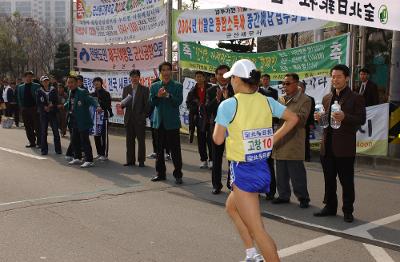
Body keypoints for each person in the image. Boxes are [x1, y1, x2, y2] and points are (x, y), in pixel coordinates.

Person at [213, 59, 298, 262]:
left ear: (237, 80)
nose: (230, 81)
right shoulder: (266, 100)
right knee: (231, 208)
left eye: (231, 77)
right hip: (261, 167)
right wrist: (271, 140)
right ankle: (251, 253)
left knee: (258, 230)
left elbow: (217, 139)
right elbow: (293, 119)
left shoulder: (228, 104)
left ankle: (261, 256)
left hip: (243, 171)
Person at [314, 64, 366, 223]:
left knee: (346, 181)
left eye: (338, 77)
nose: (335, 79)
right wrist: (319, 118)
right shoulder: (326, 98)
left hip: (344, 148)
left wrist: (345, 117)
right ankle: (330, 207)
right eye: (333, 76)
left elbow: (361, 120)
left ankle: (348, 210)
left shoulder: (356, 97)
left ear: (347, 78)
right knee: (329, 180)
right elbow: (325, 122)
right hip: (327, 147)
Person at [272, 73, 311, 208]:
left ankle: (303, 197)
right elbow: (275, 116)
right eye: (283, 83)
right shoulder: (281, 99)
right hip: (280, 139)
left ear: (296, 84)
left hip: (294, 140)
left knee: (297, 173)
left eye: (288, 83)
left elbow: (302, 119)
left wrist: (284, 115)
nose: (284, 86)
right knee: (281, 171)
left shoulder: (305, 100)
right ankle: (283, 195)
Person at [149, 62, 183, 184]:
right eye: (163, 70)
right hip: (158, 123)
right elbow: (152, 103)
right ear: (160, 72)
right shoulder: (154, 86)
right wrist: (157, 96)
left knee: (175, 150)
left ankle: (178, 174)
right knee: (159, 151)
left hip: (172, 123)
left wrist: (168, 95)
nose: (166, 72)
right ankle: (160, 174)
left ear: (171, 71)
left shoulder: (178, 86)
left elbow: (177, 102)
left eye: (168, 70)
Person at [206, 65, 235, 194]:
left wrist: (228, 99)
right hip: (217, 129)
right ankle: (216, 185)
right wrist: (217, 99)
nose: (223, 77)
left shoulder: (236, 89)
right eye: (220, 74)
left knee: (233, 158)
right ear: (216, 76)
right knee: (216, 158)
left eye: (226, 74)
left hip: (233, 129)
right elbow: (207, 109)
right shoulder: (211, 91)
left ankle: (231, 183)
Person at [64, 75, 102, 168]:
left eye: (72, 82)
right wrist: (64, 105)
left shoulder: (82, 92)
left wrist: (97, 106)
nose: (70, 84)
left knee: (84, 140)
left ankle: (89, 160)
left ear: (76, 83)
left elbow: (91, 100)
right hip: (73, 119)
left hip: (83, 120)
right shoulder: (70, 92)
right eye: (68, 82)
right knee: (74, 139)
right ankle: (77, 157)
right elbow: (70, 102)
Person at [122, 70, 149, 167]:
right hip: (129, 119)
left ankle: (141, 161)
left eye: (136, 76)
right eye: (132, 76)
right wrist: (122, 104)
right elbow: (123, 103)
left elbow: (147, 106)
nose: (134, 78)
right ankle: (130, 160)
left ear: (139, 77)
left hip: (139, 120)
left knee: (141, 141)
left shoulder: (144, 89)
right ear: (130, 78)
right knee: (129, 141)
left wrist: (143, 116)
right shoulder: (126, 89)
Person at [186, 71, 213, 169]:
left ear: (204, 78)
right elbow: (188, 103)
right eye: (197, 77)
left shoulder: (211, 88)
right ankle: (204, 160)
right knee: (201, 140)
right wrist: (195, 108)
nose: (199, 78)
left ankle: (211, 160)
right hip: (199, 119)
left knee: (210, 140)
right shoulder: (192, 90)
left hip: (209, 119)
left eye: (201, 76)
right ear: (195, 78)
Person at [36, 75, 62, 155]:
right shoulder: (39, 91)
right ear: (41, 82)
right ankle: (44, 150)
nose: (46, 82)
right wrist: (44, 107)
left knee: (56, 132)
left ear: (49, 81)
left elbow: (56, 101)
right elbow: (38, 102)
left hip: (52, 113)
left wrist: (52, 105)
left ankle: (58, 150)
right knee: (44, 132)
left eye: (47, 80)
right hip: (44, 114)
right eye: (44, 81)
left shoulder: (53, 90)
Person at [17, 71, 41, 148]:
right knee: (27, 126)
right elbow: (19, 98)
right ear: (24, 77)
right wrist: (22, 107)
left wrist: (38, 107)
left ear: (32, 77)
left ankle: (39, 142)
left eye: (30, 76)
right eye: (27, 76)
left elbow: (40, 97)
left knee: (37, 126)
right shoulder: (20, 87)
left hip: (34, 108)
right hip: (25, 109)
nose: (29, 78)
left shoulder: (37, 86)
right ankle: (32, 142)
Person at [91, 77, 113, 161]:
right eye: (94, 82)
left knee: (103, 136)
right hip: (95, 118)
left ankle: (104, 154)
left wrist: (99, 102)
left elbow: (108, 105)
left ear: (101, 83)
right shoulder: (92, 94)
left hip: (103, 117)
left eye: (97, 82)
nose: (96, 83)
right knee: (96, 135)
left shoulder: (106, 93)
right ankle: (99, 153)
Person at [299, 82, 315, 162]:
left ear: (304, 88)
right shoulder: (292, 98)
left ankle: (307, 156)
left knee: (305, 140)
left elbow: (312, 112)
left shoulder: (310, 99)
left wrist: (311, 123)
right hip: (295, 123)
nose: (299, 88)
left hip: (306, 123)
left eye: (301, 87)